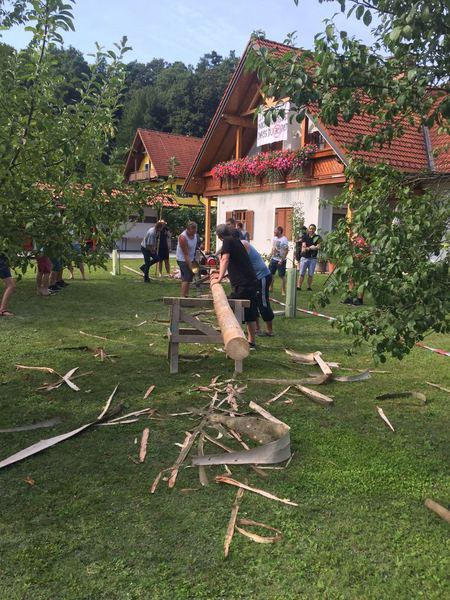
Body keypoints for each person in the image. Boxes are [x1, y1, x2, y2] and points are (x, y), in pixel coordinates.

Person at [216, 224, 258, 349]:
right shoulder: (236, 241)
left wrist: (219, 278)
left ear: (219, 236)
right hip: (250, 281)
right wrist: (219, 273)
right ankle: (251, 342)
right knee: (250, 312)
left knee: (229, 308)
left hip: (243, 283)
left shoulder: (227, 241)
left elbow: (225, 259)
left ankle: (234, 339)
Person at [242, 240, 274, 336]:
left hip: (262, 276)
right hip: (254, 278)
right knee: (253, 302)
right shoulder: (235, 246)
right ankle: (257, 328)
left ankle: (269, 330)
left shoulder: (243, 244)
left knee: (263, 302)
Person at [175, 221, 199, 297]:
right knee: (187, 277)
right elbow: (186, 254)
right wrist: (191, 267)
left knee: (189, 277)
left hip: (191, 258)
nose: (194, 233)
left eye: (195, 231)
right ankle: (182, 297)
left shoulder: (195, 235)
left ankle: (186, 296)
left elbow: (195, 248)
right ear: (188, 229)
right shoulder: (183, 237)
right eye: (192, 232)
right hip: (182, 259)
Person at [298, 224, 322, 291]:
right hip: (304, 258)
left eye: (313, 229)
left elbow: (318, 246)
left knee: (310, 274)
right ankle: (299, 286)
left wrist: (310, 248)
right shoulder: (305, 237)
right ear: (308, 229)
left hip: (313, 259)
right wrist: (312, 247)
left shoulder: (317, 237)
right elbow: (304, 246)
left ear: (315, 229)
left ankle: (309, 287)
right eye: (310, 228)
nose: (311, 230)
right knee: (301, 273)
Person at [269, 226, 289, 295]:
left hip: (281, 260)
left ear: (279, 231)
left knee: (282, 276)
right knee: (271, 274)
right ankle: (271, 288)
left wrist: (282, 260)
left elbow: (286, 250)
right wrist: (270, 255)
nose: (274, 232)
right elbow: (273, 248)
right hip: (273, 259)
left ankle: (283, 291)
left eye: (275, 231)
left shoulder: (284, 239)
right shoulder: (274, 238)